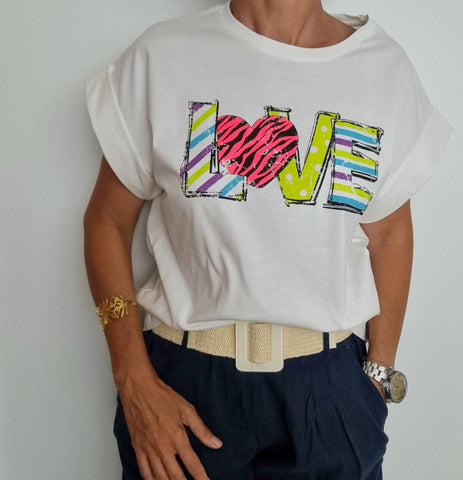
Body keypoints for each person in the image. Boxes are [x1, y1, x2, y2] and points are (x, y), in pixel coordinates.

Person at [83, 1, 451, 479]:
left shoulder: (381, 68)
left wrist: (377, 378)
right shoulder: (163, 54)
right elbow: (106, 222)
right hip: (186, 382)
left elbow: (388, 235)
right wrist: (131, 376)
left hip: (329, 390)